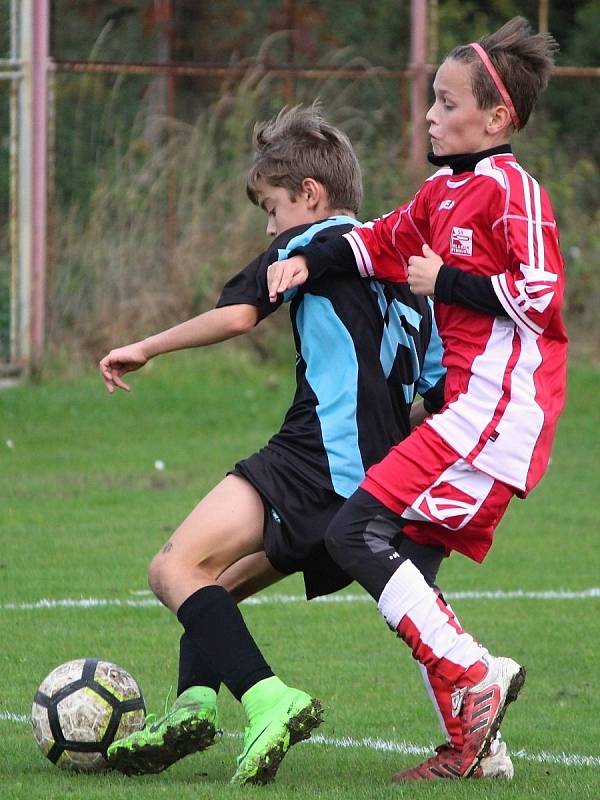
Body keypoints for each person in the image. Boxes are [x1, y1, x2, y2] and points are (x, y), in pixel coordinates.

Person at [99, 104, 462, 785]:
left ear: (309, 195)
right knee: (220, 587)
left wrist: (145, 346)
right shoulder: (404, 265)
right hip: (376, 486)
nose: (269, 227)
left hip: (314, 457)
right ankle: (192, 706)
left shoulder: (309, 242)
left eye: (271, 209)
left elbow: (239, 314)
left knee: (173, 570)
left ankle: (269, 701)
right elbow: (436, 390)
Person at [267, 18, 567, 781]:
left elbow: (542, 293)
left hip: (498, 408)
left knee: (354, 532)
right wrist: (306, 260)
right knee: (403, 559)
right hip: (466, 411)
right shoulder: (442, 191)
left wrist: (450, 284)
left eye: (445, 101)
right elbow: (376, 243)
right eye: (431, 101)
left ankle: (475, 673)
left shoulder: (513, 189)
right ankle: (478, 750)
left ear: (496, 119)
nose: (430, 115)